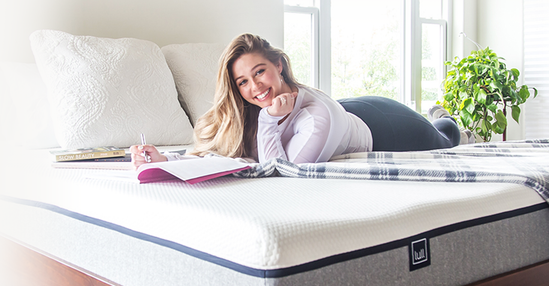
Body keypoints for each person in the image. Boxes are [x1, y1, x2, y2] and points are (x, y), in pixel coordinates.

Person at [130, 33, 461, 167]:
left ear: (279, 65)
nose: (254, 87)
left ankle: (441, 115)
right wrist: (166, 160)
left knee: (447, 135)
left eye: (260, 72)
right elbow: (226, 160)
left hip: (388, 125)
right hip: (347, 110)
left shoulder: (315, 118)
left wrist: (270, 120)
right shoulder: (253, 108)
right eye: (242, 81)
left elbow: (281, 171)